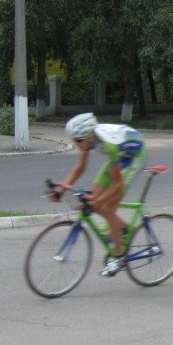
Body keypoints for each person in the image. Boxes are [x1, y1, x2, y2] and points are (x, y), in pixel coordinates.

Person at [52, 113, 147, 277]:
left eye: (78, 141)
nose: (76, 144)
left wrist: (98, 202)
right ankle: (123, 229)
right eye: (74, 141)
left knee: (107, 207)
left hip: (133, 158)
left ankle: (118, 258)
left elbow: (118, 185)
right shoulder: (88, 140)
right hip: (117, 159)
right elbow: (81, 167)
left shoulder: (109, 145)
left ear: (89, 136)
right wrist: (62, 190)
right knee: (91, 202)